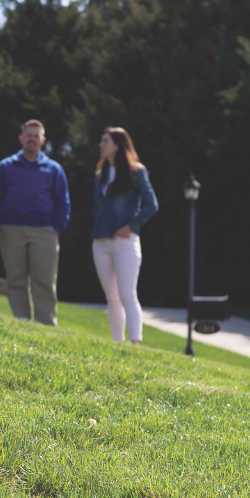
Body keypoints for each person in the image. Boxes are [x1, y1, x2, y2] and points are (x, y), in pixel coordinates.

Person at [0, 120, 70, 325]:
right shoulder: (6, 167)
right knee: (16, 281)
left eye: (36, 135)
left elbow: (63, 203)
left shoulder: (54, 169)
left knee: (45, 282)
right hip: (11, 230)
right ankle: (21, 323)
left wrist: (55, 228)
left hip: (44, 231)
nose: (32, 139)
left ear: (43, 140)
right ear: (21, 138)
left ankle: (46, 327)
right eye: (28, 135)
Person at [90, 126, 157, 344]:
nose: (101, 145)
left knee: (128, 294)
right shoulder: (100, 175)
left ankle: (135, 343)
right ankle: (117, 345)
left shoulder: (137, 171)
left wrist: (131, 226)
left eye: (105, 141)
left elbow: (151, 204)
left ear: (117, 145)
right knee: (112, 298)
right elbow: (97, 207)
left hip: (125, 242)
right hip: (100, 242)